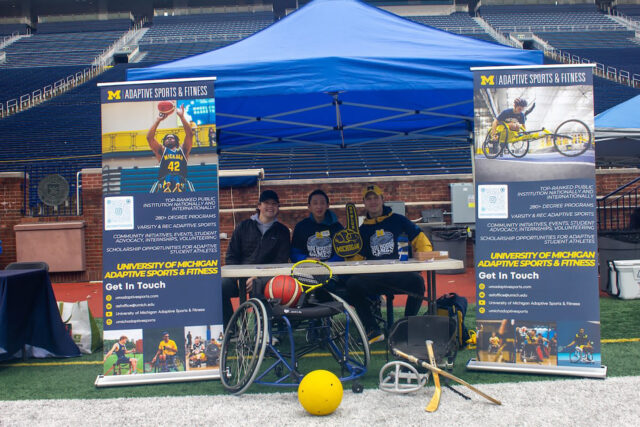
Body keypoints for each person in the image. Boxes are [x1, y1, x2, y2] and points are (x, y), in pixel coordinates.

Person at [346, 184, 433, 343]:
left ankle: (406, 329)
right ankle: (372, 329)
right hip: (374, 279)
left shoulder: (399, 220)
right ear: (364, 203)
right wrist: (349, 256)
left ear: (382, 199)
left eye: (376, 198)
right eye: (368, 199)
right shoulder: (362, 229)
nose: (373, 202)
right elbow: (356, 259)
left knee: (418, 282)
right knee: (353, 284)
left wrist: (425, 256)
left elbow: (420, 239)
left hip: (398, 276)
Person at [221, 189, 291, 328]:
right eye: (266, 203)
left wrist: (257, 277)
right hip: (240, 277)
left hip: (266, 277)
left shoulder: (282, 231)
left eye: (274, 204)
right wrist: (239, 278)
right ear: (259, 206)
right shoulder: (243, 226)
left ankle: (262, 330)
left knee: (259, 286)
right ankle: (231, 330)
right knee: (221, 286)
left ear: (278, 208)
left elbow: (281, 261)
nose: (270, 206)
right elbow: (231, 256)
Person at [290, 189, 348, 298]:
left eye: (322, 203)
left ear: (328, 205)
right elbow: (294, 252)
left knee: (326, 288)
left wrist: (327, 265)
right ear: (309, 206)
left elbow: (342, 253)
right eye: (315, 203)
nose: (319, 206)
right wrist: (305, 259)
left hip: (332, 271)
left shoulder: (337, 227)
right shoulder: (301, 227)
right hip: (307, 270)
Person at [147, 104, 194, 193]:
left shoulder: (183, 150)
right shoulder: (162, 150)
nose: (169, 138)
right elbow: (149, 138)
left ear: (176, 141)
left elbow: (190, 135)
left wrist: (181, 117)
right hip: (164, 184)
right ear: (164, 142)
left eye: (171, 137)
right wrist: (158, 121)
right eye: (167, 138)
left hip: (181, 184)